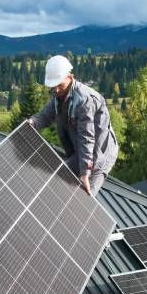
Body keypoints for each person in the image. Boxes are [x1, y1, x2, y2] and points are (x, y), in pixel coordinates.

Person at [28, 55, 119, 196]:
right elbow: (45, 115)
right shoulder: (60, 97)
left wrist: (85, 173)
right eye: (53, 86)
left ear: (70, 77)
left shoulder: (84, 101)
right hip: (81, 152)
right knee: (59, 177)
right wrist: (33, 122)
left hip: (99, 154)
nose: (56, 90)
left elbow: (87, 139)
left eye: (59, 85)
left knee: (84, 196)